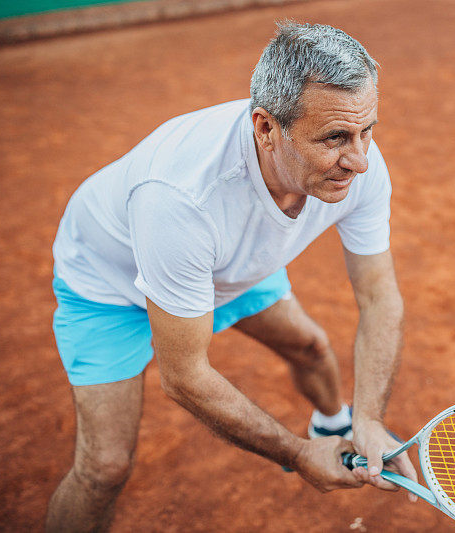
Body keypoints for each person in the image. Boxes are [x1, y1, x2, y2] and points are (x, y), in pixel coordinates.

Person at [45, 22, 417, 532]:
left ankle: (339, 421)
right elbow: (183, 375)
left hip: (223, 262)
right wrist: (297, 454)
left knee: (309, 347)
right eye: (335, 138)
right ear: (266, 128)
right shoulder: (181, 198)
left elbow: (379, 297)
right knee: (104, 467)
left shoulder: (356, 166)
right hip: (109, 287)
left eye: (367, 131)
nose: (359, 160)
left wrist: (370, 420)